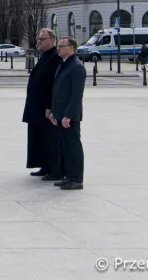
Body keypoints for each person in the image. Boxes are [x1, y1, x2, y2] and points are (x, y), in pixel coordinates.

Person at [22, 28, 62, 180]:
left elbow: (53, 84)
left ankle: (53, 168)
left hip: (45, 106)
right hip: (36, 106)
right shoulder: (45, 55)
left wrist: (49, 106)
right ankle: (44, 165)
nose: (39, 42)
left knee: (49, 138)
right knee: (39, 137)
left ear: (52, 41)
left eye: (42, 39)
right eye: (39, 39)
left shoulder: (55, 58)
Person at [49, 37, 86, 190]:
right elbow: (58, 90)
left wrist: (68, 115)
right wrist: (53, 111)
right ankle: (68, 176)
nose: (58, 48)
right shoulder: (64, 65)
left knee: (73, 147)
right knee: (65, 147)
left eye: (61, 46)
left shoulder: (77, 66)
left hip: (69, 116)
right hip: (60, 113)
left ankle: (76, 179)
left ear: (71, 48)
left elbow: (76, 94)